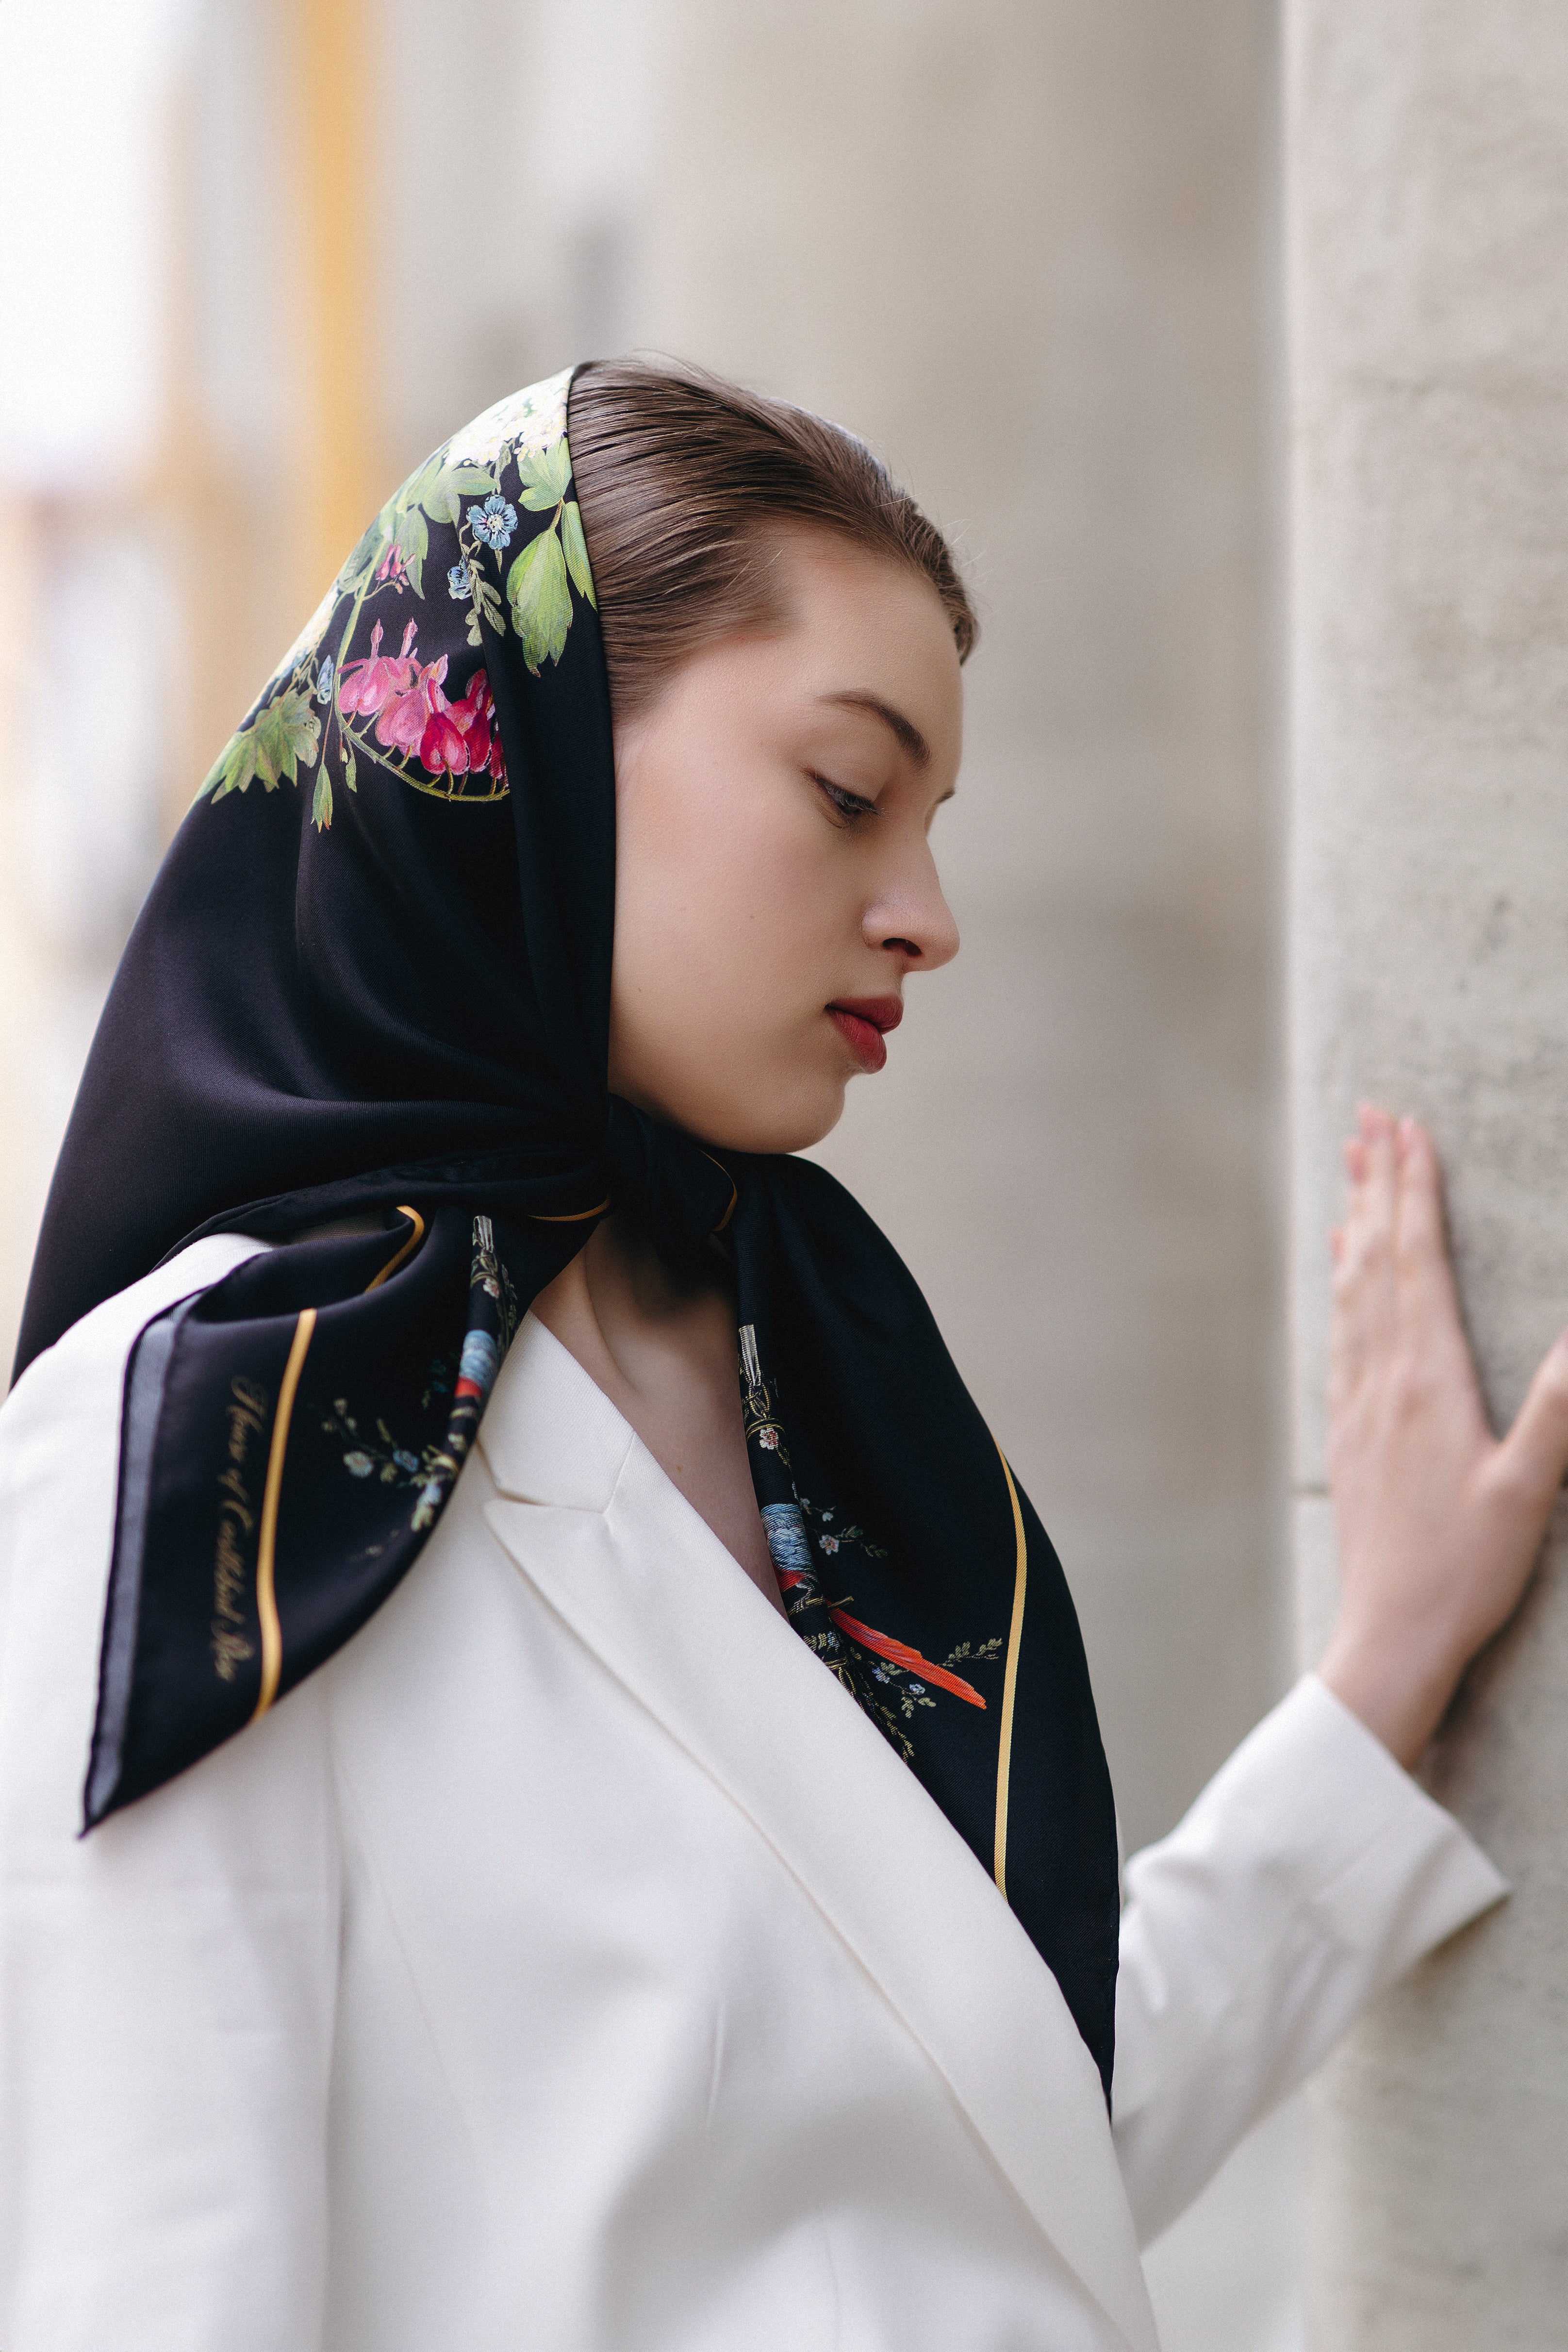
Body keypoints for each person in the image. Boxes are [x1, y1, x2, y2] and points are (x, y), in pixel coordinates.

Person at [0, 361, 1563, 2352]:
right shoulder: (230, 1440)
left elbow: (984, 2136)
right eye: (847, 791)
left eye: (931, 822)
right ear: (539, 754)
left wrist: (1388, 1673)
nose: (926, 915)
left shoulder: (799, 1373)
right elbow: (141, 2293)